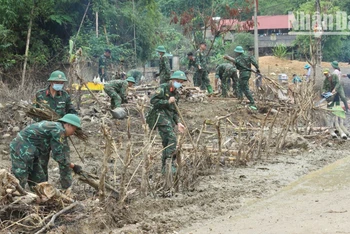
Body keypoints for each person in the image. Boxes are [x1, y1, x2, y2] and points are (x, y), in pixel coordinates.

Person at [10, 114, 83, 190]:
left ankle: (38, 197)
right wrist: (73, 166)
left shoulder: (55, 127)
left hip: (32, 151)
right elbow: (58, 155)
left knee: (40, 179)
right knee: (20, 176)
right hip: (21, 147)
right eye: (74, 129)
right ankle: (13, 197)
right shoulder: (58, 130)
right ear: (68, 125)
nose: (73, 133)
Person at [34, 70, 78, 181]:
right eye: (57, 81)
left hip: (60, 133)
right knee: (41, 161)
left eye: (61, 82)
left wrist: (69, 123)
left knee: (64, 160)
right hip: (44, 134)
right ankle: (43, 187)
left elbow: (72, 111)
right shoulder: (40, 95)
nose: (60, 84)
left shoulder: (65, 96)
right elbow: (35, 112)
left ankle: (66, 186)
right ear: (51, 82)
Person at [148, 70, 186, 173]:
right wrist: (167, 101)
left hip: (168, 117)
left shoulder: (176, 94)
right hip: (158, 115)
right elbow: (153, 101)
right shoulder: (163, 88)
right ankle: (170, 162)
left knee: (166, 142)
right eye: (178, 81)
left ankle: (165, 167)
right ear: (173, 80)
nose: (180, 83)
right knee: (172, 138)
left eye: (182, 82)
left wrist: (178, 122)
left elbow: (174, 110)